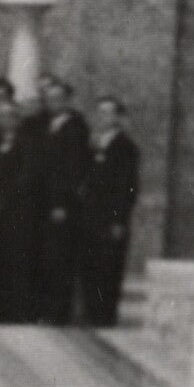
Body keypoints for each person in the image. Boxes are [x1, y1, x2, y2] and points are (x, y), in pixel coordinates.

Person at [0, 97, 42, 321]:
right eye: (2, 115)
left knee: (16, 260)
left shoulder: (29, 142)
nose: (7, 119)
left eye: (12, 115)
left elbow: (28, 176)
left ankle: (16, 311)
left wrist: (3, 200)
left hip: (17, 210)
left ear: (18, 118)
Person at [78, 94, 139, 326]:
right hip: (90, 217)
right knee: (90, 266)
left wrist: (119, 221)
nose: (103, 117)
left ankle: (105, 316)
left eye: (108, 112)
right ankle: (91, 313)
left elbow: (127, 188)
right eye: (99, 112)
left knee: (108, 268)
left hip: (110, 218)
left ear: (118, 117)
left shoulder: (125, 147)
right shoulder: (92, 145)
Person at [33, 76, 88, 325]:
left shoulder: (75, 127)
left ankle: (59, 312)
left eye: (58, 98)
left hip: (61, 205)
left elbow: (73, 170)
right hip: (43, 201)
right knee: (46, 258)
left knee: (60, 259)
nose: (52, 102)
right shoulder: (46, 125)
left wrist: (62, 204)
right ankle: (46, 309)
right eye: (49, 98)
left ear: (67, 100)